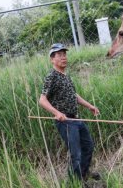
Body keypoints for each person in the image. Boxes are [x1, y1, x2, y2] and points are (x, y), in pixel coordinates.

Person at [39, 43, 101, 182]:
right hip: (65, 121)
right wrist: (57, 113)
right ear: (52, 59)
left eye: (64, 54)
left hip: (75, 119)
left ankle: (82, 175)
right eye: (59, 55)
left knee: (88, 146)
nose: (64, 58)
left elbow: (73, 95)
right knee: (76, 154)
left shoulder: (65, 75)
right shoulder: (52, 76)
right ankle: (74, 183)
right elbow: (42, 100)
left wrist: (90, 106)